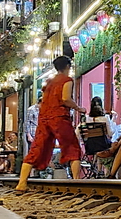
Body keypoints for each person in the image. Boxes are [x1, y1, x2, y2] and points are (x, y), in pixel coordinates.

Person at [16, 56, 84, 191]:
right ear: (67, 67)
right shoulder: (67, 80)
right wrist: (79, 108)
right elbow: (65, 99)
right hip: (59, 117)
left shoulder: (48, 82)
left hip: (44, 119)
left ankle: (22, 183)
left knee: (36, 148)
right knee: (72, 147)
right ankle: (77, 182)